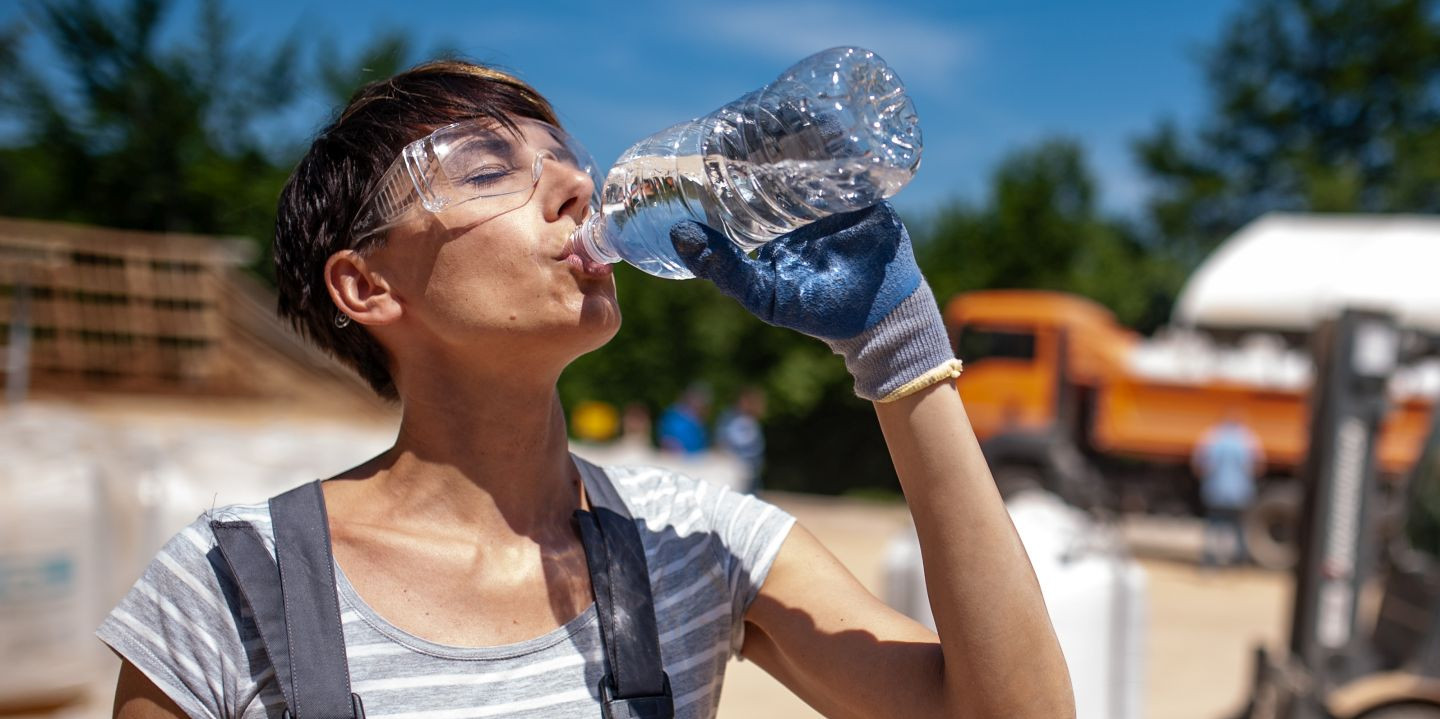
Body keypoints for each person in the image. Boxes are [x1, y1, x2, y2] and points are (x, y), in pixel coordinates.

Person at [102, 60, 1072, 718]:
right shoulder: (231, 585)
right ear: (367, 284)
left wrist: (897, 347)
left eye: (566, 159)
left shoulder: (698, 546)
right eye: (490, 169)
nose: (575, 186)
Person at [1193, 413, 1264, 568]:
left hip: (1216, 491)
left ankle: (1210, 560)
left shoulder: (1212, 436)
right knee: (1238, 527)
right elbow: (1258, 464)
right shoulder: (1247, 438)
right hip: (1239, 493)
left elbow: (1199, 463)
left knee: (1213, 526)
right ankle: (1239, 561)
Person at [717, 387, 767, 493]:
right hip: (734, 468)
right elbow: (723, 441)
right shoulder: (731, 418)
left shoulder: (750, 421)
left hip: (750, 469)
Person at [658, 383, 712, 454]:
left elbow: (703, 443)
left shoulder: (699, 420)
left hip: (696, 459)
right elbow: (665, 438)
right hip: (674, 457)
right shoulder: (672, 415)